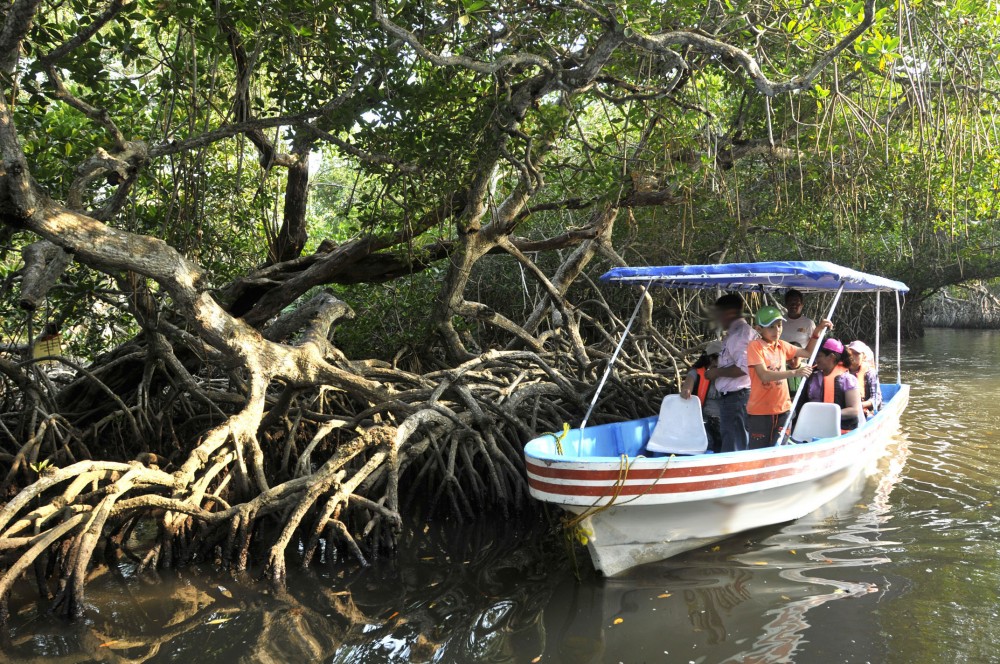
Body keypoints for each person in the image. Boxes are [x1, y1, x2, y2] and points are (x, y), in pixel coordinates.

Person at [746, 307, 831, 449]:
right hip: (761, 411)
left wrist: (817, 331)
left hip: (783, 410)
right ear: (759, 329)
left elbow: (808, 352)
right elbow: (764, 375)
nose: (777, 330)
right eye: (771, 327)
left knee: (779, 449)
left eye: (779, 326)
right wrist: (795, 373)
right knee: (759, 451)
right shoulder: (755, 346)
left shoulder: (782, 345)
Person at [704, 294, 758, 453]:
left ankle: (732, 476)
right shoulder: (736, 334)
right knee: (734, 438)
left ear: (729, 313)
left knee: (733, 443)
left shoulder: (740, 335)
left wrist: (716, 373)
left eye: (718, 314)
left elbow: (743, 368)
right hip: (735, 397)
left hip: (737, 397)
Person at [802, 338, 863, 432]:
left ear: (831, 357)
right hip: (813, 425)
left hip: (839, 428)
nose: (815, 360)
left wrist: (826, 414)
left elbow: (854, 410)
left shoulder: (848, 380)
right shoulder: (812, 376)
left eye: (819, 356)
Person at [680, 339, 724, 452]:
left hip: (725, 418)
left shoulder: (727, 372)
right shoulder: (697, 373)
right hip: (703, 419)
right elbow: (689, 383)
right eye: (722, 357)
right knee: (709, 443)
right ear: (712, 359)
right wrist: (686, 390)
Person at [847, 340, 882, 418]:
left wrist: (859, 405)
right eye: (851, 353)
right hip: (848, 408)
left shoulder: (870, 373)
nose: (853, 356)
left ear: (864, 356)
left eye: (857, 354)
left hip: (865, 409)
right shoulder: (842, 372)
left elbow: (876, 399)